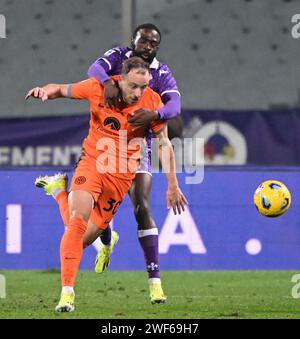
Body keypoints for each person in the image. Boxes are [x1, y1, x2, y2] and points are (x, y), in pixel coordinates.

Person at [26, 57, 187, 312]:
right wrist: (45, 91)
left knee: (81, 240)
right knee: (77, 220)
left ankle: (58, 191)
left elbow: (164, 144)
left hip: (121, 176)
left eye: (143, 87)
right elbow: (61, 89)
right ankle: (67, 294)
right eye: (134, 86)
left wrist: (173, 185)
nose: (138, 93)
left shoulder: (152, 102)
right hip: (92, 163)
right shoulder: (97, 88)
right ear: (120, 79)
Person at [88, 23, 182, 284]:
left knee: (141, 204)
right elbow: (93, 69)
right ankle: (107, 241)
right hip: (105, 143)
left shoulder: (161, 72)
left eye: (154, 44)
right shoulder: (118, 57)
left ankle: (155, 282)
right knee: (98, 207)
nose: (148, 47)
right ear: (133, 41)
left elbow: (175, 106)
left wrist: (156, 114)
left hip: (136, 147)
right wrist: (106, 81)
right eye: (144, 42)